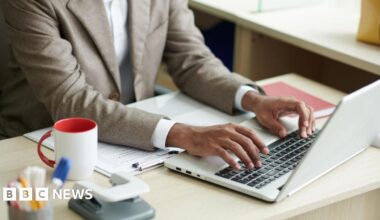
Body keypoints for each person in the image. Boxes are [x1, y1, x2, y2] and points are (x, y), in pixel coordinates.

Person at [0, 0, 315, 170]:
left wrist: (251, 99)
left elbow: (192, 60)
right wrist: (185, 134)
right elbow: (71, 100)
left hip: (134, 144)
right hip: (41, 145)